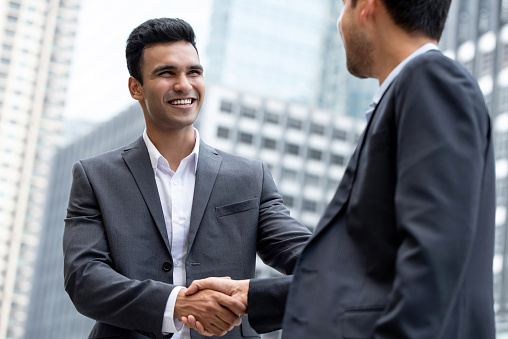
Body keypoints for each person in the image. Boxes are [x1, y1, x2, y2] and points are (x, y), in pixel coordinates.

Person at [183, 0, 496, 337]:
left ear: (367, 7)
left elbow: (434, 262)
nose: (339, 22)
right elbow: (372, 274)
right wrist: (251, 295)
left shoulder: (432, 81)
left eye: (344, 5)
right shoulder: (409, 92)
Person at [62, 18, 311, 339]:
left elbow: (317, 264)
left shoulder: (250, 177)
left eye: (193, 72)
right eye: (167, 73)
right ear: (136, 87)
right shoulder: (95, 176)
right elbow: (85, 278)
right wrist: (176, 304)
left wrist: (249, 298)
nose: (184, 84)